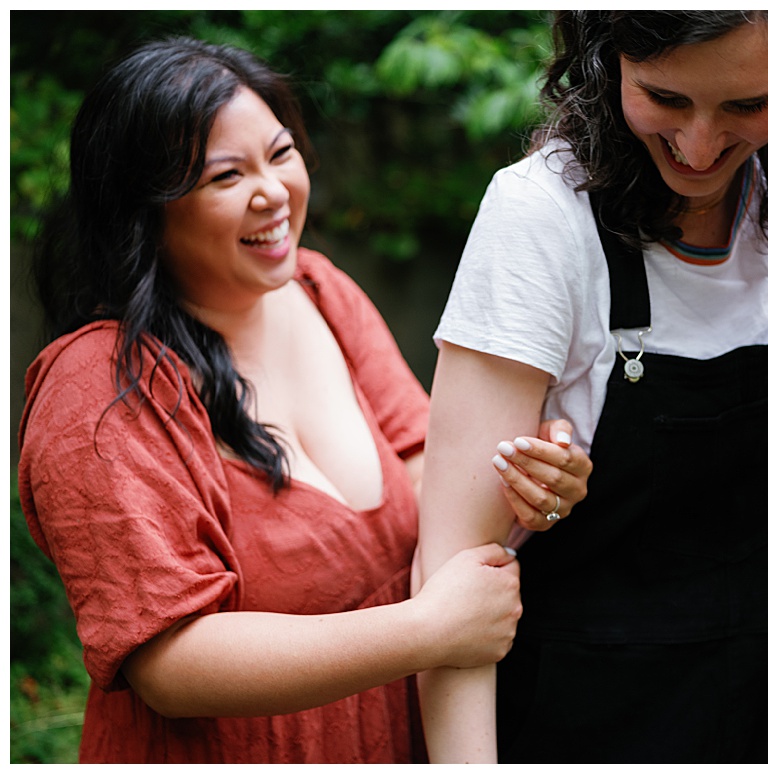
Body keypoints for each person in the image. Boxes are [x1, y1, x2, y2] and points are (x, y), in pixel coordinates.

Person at [16, 38, 592, 763]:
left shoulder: (322, 291)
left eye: (280, 153)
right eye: (227, 174)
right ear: (143, 208)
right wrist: (428, 630)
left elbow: (428, 470)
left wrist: (522, 474)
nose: (274, 191)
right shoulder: (98, 388)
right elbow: (169, 662)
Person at [418, 10, 768, 763]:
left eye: (747, 106)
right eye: (666, 99)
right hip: (581, 725)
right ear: (608, 61)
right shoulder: (541, 216)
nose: (700, 146)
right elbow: (453, 572)